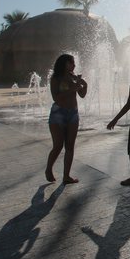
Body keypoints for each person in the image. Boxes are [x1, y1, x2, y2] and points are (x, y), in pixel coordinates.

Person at [45, 54, 87, 184]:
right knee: (58, 145)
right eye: (71, 63)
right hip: (58, 114)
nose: (74, 65)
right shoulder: (55, 78)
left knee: (70, 146)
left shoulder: (73, 77)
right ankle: (48, 169)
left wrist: (83, 84)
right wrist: (71, 89)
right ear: (64, 63)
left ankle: (66, 176)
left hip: (73, 114)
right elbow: (56, 98)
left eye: (74, 63)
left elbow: (82, 94)